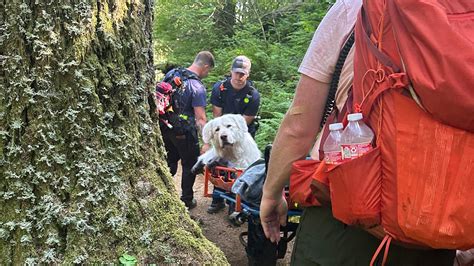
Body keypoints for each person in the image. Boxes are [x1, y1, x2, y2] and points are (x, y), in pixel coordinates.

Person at [259, 1, 455, 265]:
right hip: (439, 227)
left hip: (345, 218)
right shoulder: (464, 16)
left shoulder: (353, 8)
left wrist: (271, 194)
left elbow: (299, 125)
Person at [206, 55, 261, 214]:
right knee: (219, 164)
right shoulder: (220, 89)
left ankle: (236, 205)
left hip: (242, 136)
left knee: (241, 168)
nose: (239, 76)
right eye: (237, 73)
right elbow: (217, 118)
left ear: (248, 74)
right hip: (222, 132)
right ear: (231, 71)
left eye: (243, 73)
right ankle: (217, 200)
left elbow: (244, 124)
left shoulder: (253, 95)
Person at [160, 51, 214, 210]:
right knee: (190, 163)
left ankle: (163, 195)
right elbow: (200, 118)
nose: (207, 73)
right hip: (184, 131)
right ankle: (187, 200)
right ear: (205, 66)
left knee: (169, 160)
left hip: (164, 126)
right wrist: (207, 141)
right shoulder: (197, 86)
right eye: (208, 70)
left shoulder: (172, 74)